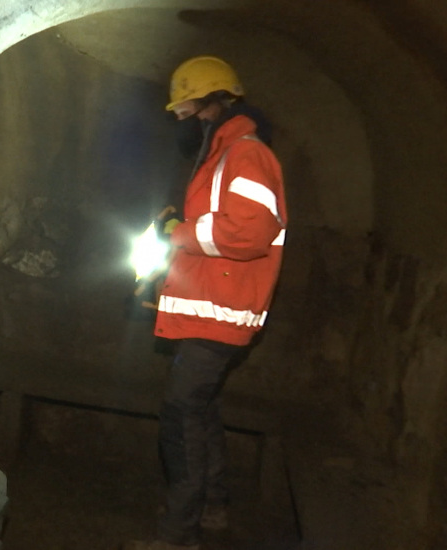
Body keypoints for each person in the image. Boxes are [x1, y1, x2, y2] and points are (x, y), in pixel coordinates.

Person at [123, 56, 288, 550]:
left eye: (183, 110)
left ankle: (178, 537)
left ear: (213, 104)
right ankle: (212, 509)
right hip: (211, 311)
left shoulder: (245, 153)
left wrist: (181, 233)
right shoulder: (222, 154)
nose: (178, 120)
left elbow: (250, 232)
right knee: (201, 410)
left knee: (181, 418)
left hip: (222, 314)